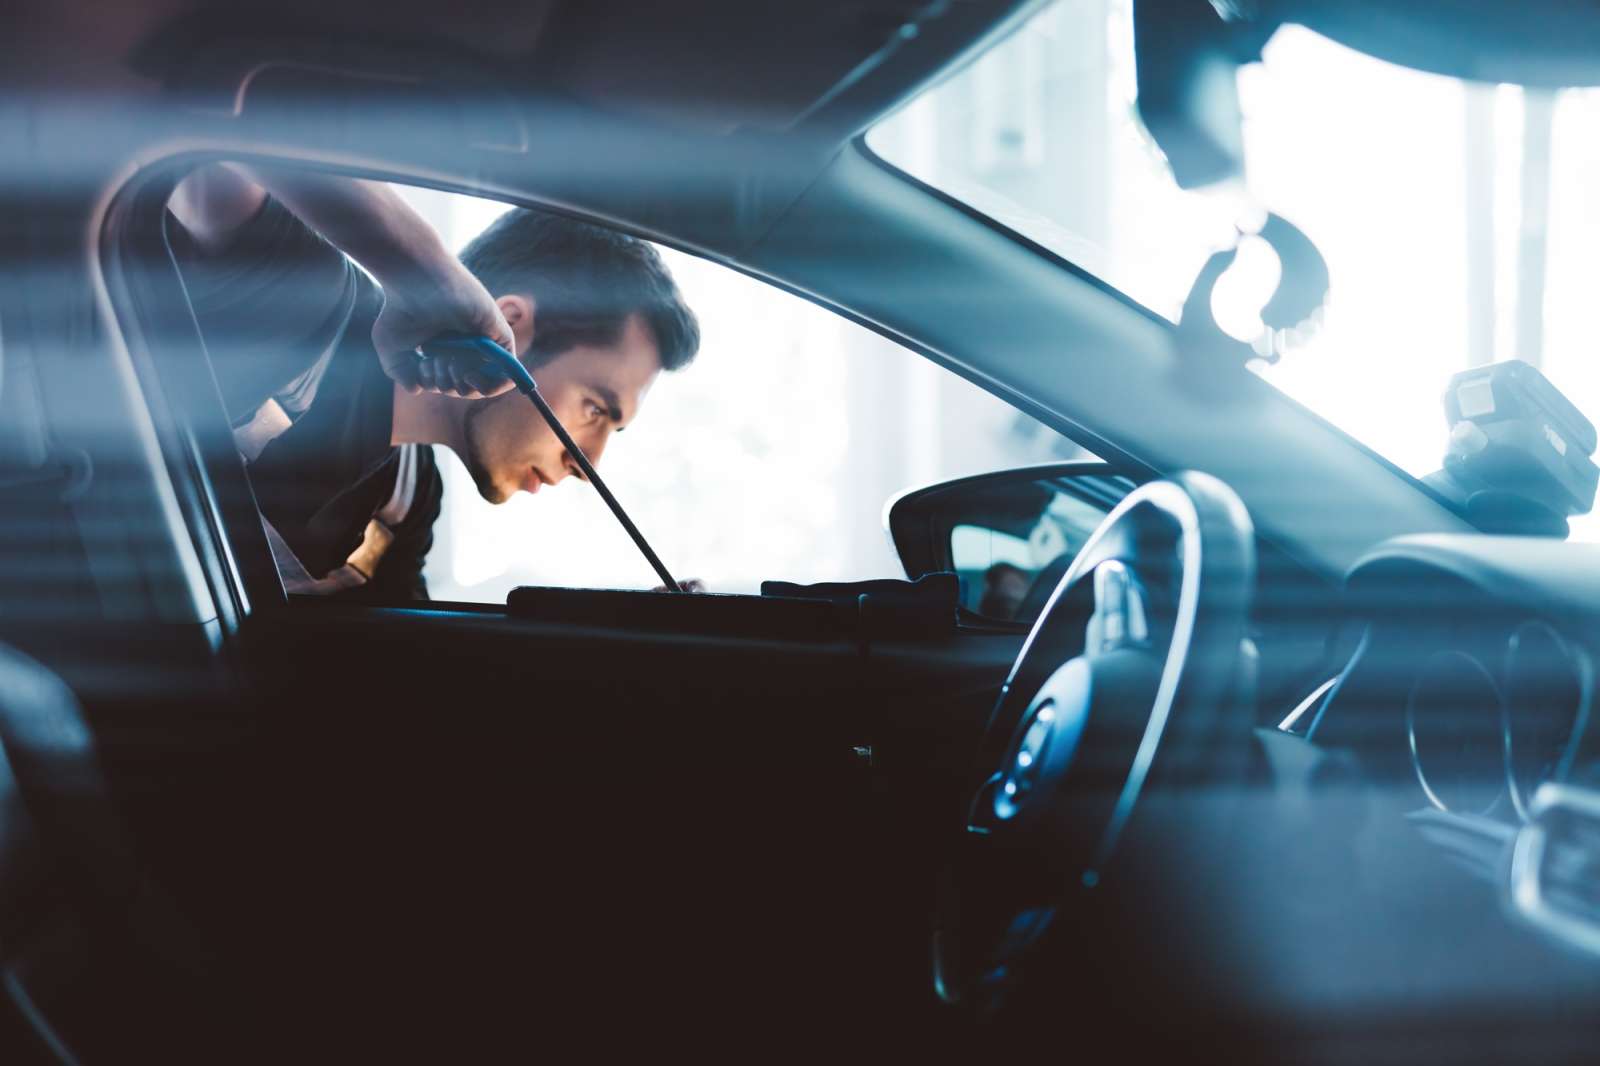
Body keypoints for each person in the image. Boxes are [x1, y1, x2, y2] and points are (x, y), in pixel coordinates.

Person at [166, 164, 700, 601]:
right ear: (511, 325)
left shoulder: (409, 497)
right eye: (594, 409)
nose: (590, 465)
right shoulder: (311, 300)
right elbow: (220, 124)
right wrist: (426, 273)